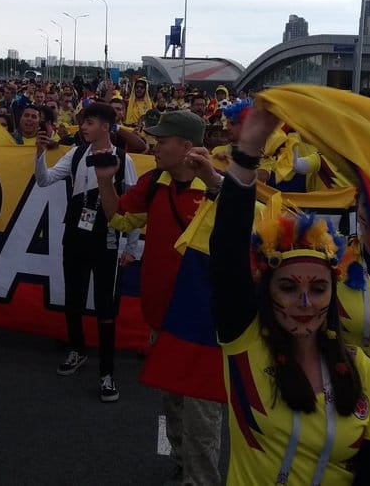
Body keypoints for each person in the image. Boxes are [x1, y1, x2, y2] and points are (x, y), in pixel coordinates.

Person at [204, 106, 370, 485]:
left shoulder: (364, 373)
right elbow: (226, 252)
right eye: (288, 287)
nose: (305, 303)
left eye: (319, 288)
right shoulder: (244, 344)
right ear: (266, 290)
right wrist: (247, 153)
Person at [98, 110, 224, 486]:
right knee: (172, 404)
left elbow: (244, 224)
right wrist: (106, 183)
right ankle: (183, 463)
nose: (153, 145)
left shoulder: (218, 186)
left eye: (162, 140)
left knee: (202, 413)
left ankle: (201, 479)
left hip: (202, 324)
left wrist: (214, 182)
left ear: (187, 147)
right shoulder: (155, 182)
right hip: (162, 317)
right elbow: (119, 220)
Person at [34, 102, 139, 402]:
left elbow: (130, 206)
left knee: (106, 307)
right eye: (83, 122)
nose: (83, 127)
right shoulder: (77, 152)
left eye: (90, 122)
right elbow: (44, 180)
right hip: (75, 234)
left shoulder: (122, 158)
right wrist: (39, 154)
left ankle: (107, 372)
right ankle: (77, 350)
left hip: (106, 237)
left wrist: (130, 247)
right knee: (74, 298)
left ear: (106, 126)